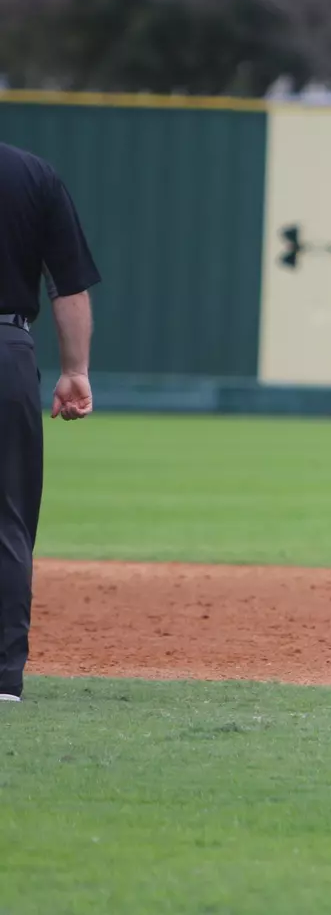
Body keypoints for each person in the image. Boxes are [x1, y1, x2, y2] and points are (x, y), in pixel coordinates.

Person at [0, 140, 101, 703]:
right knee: (7, 520)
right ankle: (2, 678)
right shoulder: (33, 175)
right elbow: (67, 283)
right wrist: (75, 370)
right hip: (6, 348)